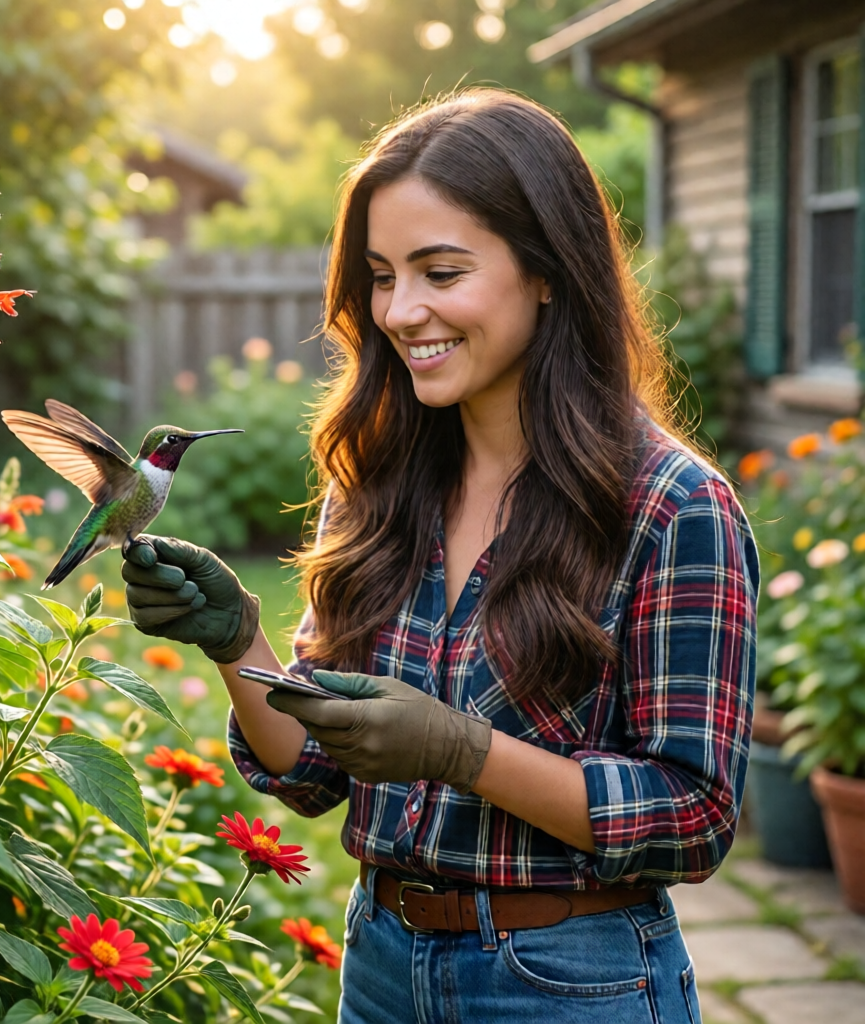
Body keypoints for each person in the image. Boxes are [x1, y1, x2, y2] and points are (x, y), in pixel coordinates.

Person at [122, 89, 758, 1024]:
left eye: (441, 271)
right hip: (381, 963)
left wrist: (464, 751)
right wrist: (241, 647)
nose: (402, 310)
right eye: (381, 275)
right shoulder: (381, 479)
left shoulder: (671, 507)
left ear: (546, 271)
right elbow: (311, 772)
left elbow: (692, 818)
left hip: (570, 980)